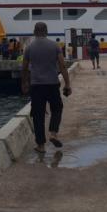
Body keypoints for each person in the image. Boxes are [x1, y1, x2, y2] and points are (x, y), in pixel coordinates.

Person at [22, 22, 71, 154]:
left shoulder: (29, 48)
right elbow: (62, 66)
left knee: (38, 115)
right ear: (46, 31)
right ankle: (53, 133)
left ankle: (41, 145)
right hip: (52, 84)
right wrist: (67, 84)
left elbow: (25, 68)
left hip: (36, 86)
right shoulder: (55, 46)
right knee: (57, 108)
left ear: (34, 32)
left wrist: (24, 83)